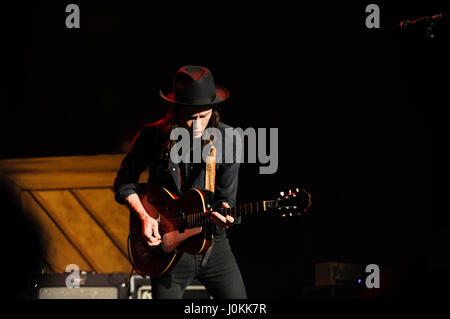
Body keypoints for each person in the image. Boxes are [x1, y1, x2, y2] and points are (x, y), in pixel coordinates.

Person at [113, 65, 247, 299]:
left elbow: (227, 198)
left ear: (213, 111)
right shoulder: (152, 136)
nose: (196, 126)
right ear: (175, 111)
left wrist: (226, 213)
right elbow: (124, 183)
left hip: (213, 246)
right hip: (167, 246)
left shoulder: (230, 140)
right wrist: (145, 217)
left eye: (203, 117)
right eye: (189, 118)